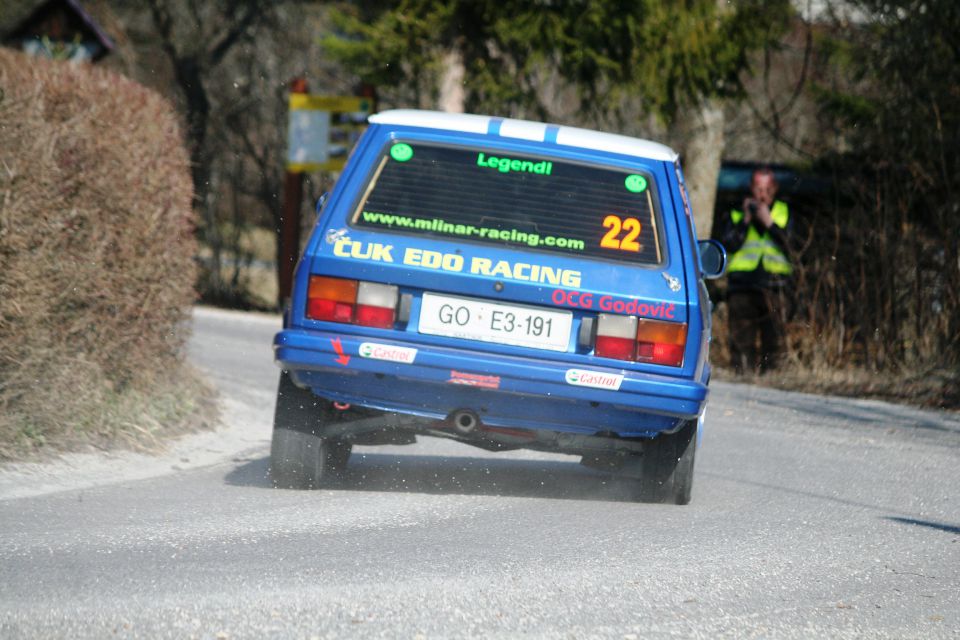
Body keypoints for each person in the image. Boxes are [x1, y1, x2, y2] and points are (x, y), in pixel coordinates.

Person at [720, 167, 794, 375]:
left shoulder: (784, 212)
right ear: (751, 188)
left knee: (775, 341)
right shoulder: (736, 212)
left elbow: (793, 246)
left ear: (775, 189)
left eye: (767, 189)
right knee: (741, 342)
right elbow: (729, 245)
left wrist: (769, 222)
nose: (762, 194)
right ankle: (742, 379)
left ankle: (772, 380)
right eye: (758, 188)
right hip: (742, 287)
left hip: (775, 286)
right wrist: (745, 220)